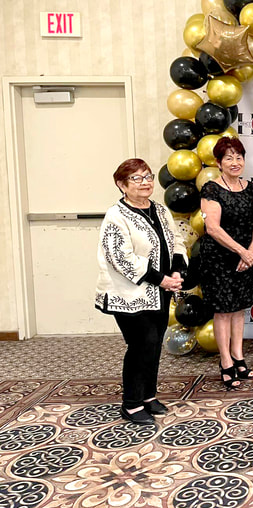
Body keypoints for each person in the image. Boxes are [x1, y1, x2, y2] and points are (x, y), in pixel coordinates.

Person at [96, 159, 186, 425]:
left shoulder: (159, 210)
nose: (145, 182)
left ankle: (148, 395)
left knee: (155, 343)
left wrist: (178, 271)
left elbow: (176, 241)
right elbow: (119, 257)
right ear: (121, 185)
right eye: (136, 178)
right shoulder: (116, 215)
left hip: (160, 291)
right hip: (127, 294)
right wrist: (161, 279)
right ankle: (131, 403)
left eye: (147, 176)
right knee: (141, 343)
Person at [199, 137, 253, 389]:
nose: (235, 162)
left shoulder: (251, 188)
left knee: (239, 308)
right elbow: (212, 228)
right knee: (223, 311)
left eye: (239, 157)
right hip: (219, 258)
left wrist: (251, 251)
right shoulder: (211, 189)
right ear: (218, 162)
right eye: (228, 158)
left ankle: (238, 356)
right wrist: (241, 252)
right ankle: (225, 361)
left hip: (245, 257)